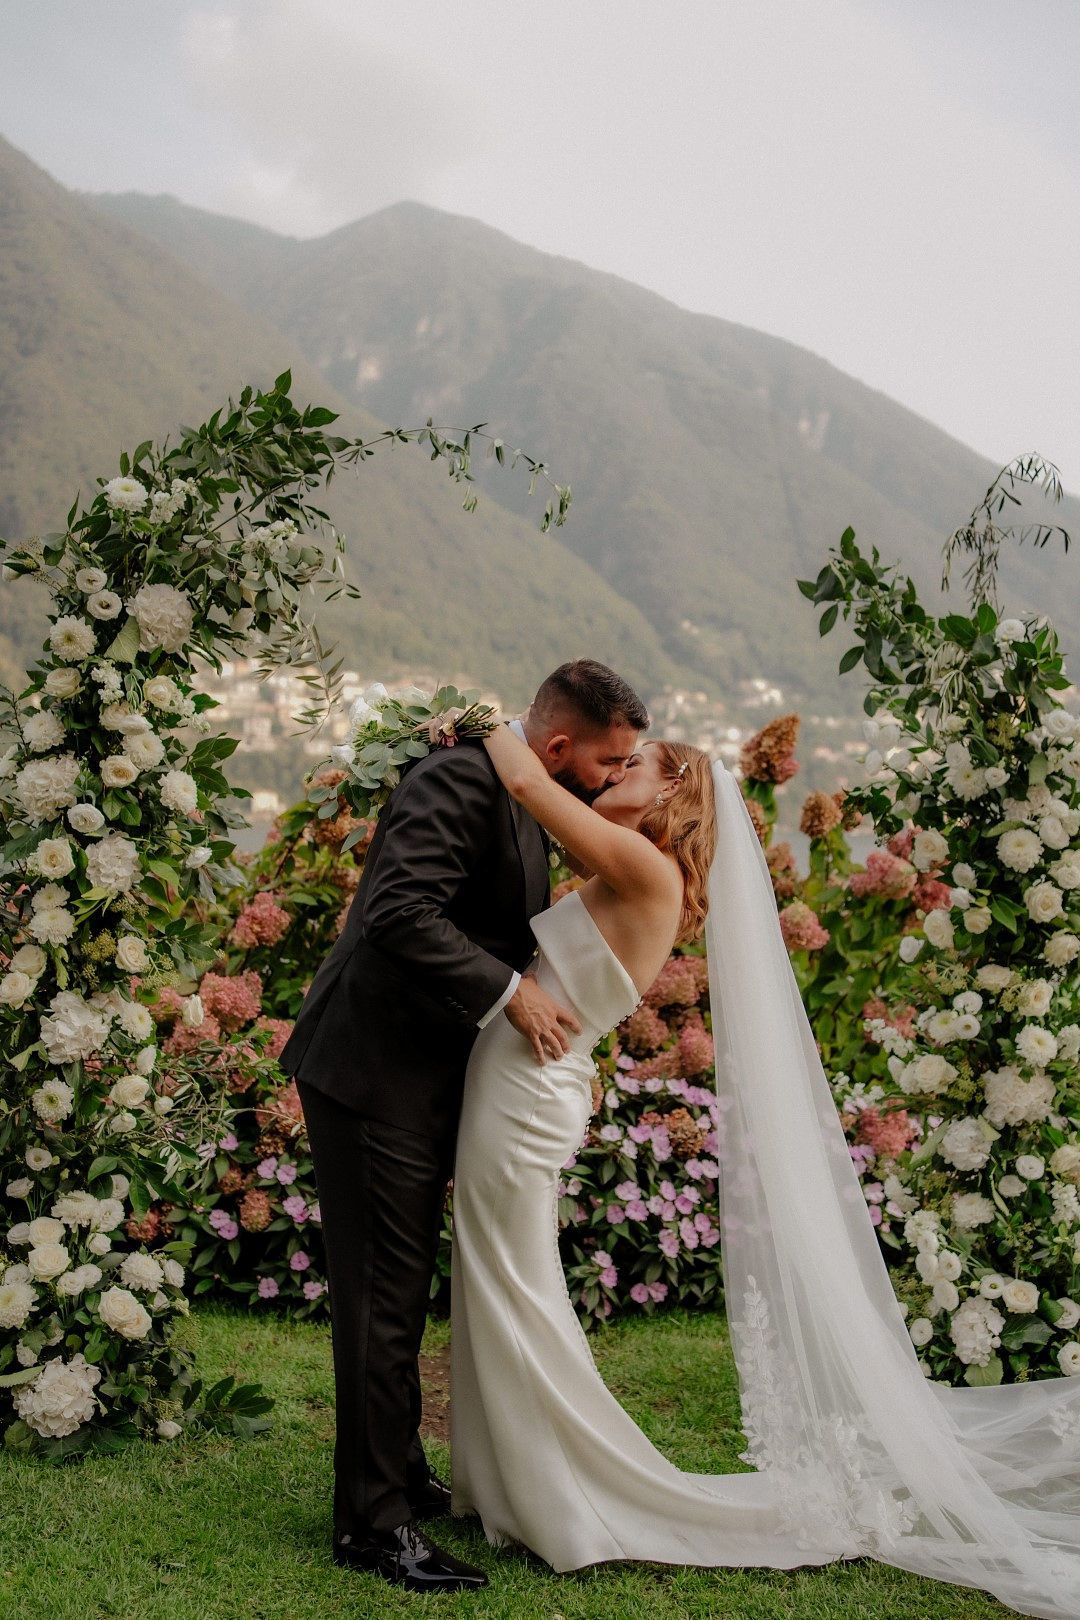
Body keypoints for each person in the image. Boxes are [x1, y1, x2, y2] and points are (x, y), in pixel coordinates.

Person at [450, 722, 1080, 1620]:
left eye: (634, 765)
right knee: (498, 1280)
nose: (615, 771)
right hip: (526, 1088)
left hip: (525, 1102)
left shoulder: (646, 869)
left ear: (672, 796)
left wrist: (489, 727)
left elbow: (525, 787)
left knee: (515, 1284)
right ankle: (505, 1482)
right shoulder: (636, 868)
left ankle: (563, 1498)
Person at [277, 660, 648, 1593]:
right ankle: (372, 1527)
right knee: (382, 1301)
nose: (610, 780)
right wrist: (509, 992)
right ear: (559, 746)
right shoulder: (459, 777)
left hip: (423, 1076)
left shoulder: (526, 788)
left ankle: (398, 1476)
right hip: (374, 1073)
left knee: (399, 1290)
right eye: (608, 762)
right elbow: (400, 911)